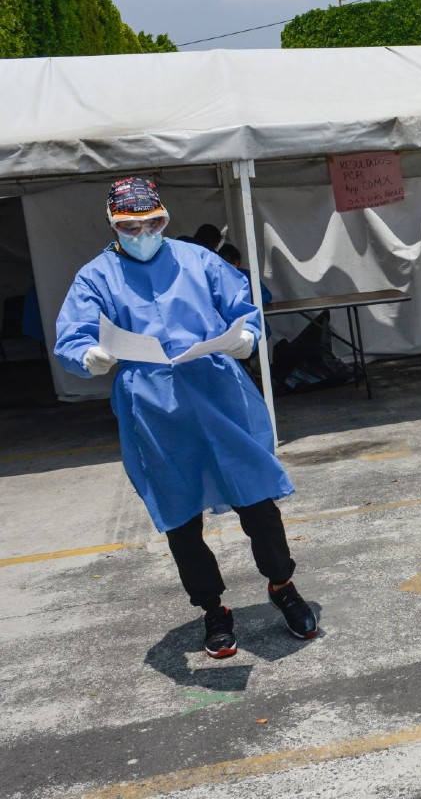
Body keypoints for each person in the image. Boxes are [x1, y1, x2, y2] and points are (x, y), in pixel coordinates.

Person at [54, 177, 317, 660]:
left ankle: (282, 584)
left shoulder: (197, 259)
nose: (144, 232)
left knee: (256, 497)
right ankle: (213, 608)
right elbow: (73, 334)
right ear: (113, 225)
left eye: (154, 222)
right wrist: (87, 354)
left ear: (165, 218)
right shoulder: (96, 277)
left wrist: (246, 336)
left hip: (217, 392)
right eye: (131, 227)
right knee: (180, 515)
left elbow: (244, 305)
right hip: (153, 409)